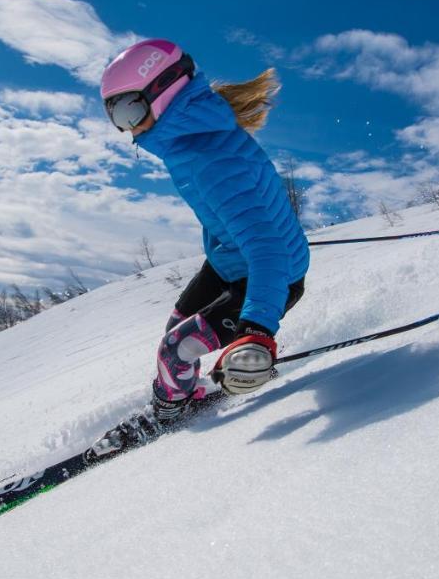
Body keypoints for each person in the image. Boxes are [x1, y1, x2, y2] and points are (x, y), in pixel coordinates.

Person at [99, 38, 310, 430]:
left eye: (130, 109)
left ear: (165, 92)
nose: (126, 128)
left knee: (174, 351)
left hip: (268, 275)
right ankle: (185, 394)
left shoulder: (210, 157)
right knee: (177, 327)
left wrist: (257, 331)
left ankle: (167, 420)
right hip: (230, 261)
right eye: (115, 115)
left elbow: (267, 250)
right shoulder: (189, 140)